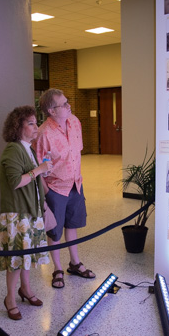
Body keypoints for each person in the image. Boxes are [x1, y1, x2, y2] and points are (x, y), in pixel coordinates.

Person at [34, 88, 95, 289]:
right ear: (51, 110)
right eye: (64, 104)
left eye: (68, 102)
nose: (69, 106)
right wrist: (47, 193)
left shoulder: (75, 122)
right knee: (55, 231)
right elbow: (38, 168)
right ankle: (57, 269)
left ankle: (75, 263)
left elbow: (76, 154)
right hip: (56, 189)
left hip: (76, 184)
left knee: (72, 225)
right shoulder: (43, 134)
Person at [0, 105, 52, 320]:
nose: (36, 126)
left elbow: (34, 179)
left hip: (31, 210)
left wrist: (43, 173)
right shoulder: (13, 149)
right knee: (16, 259)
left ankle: (26, 290)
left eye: (35, 122)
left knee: (26, 256)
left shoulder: (28, 148)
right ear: (17, 127)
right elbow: (15, 182)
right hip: (16, 213)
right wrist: (39, 170)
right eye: (30, 123)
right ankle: (10, 298)